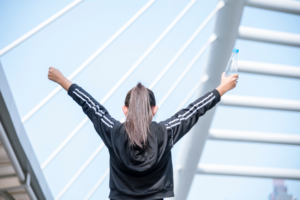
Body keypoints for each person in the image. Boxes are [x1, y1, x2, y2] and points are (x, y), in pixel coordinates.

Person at [48, 67, 238, 200]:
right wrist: (221, 89)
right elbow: (193, 111)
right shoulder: (165, 133)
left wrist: (62, 80)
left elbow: (91, 106)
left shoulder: (114, 133)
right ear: (154, 110)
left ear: (125, 109)